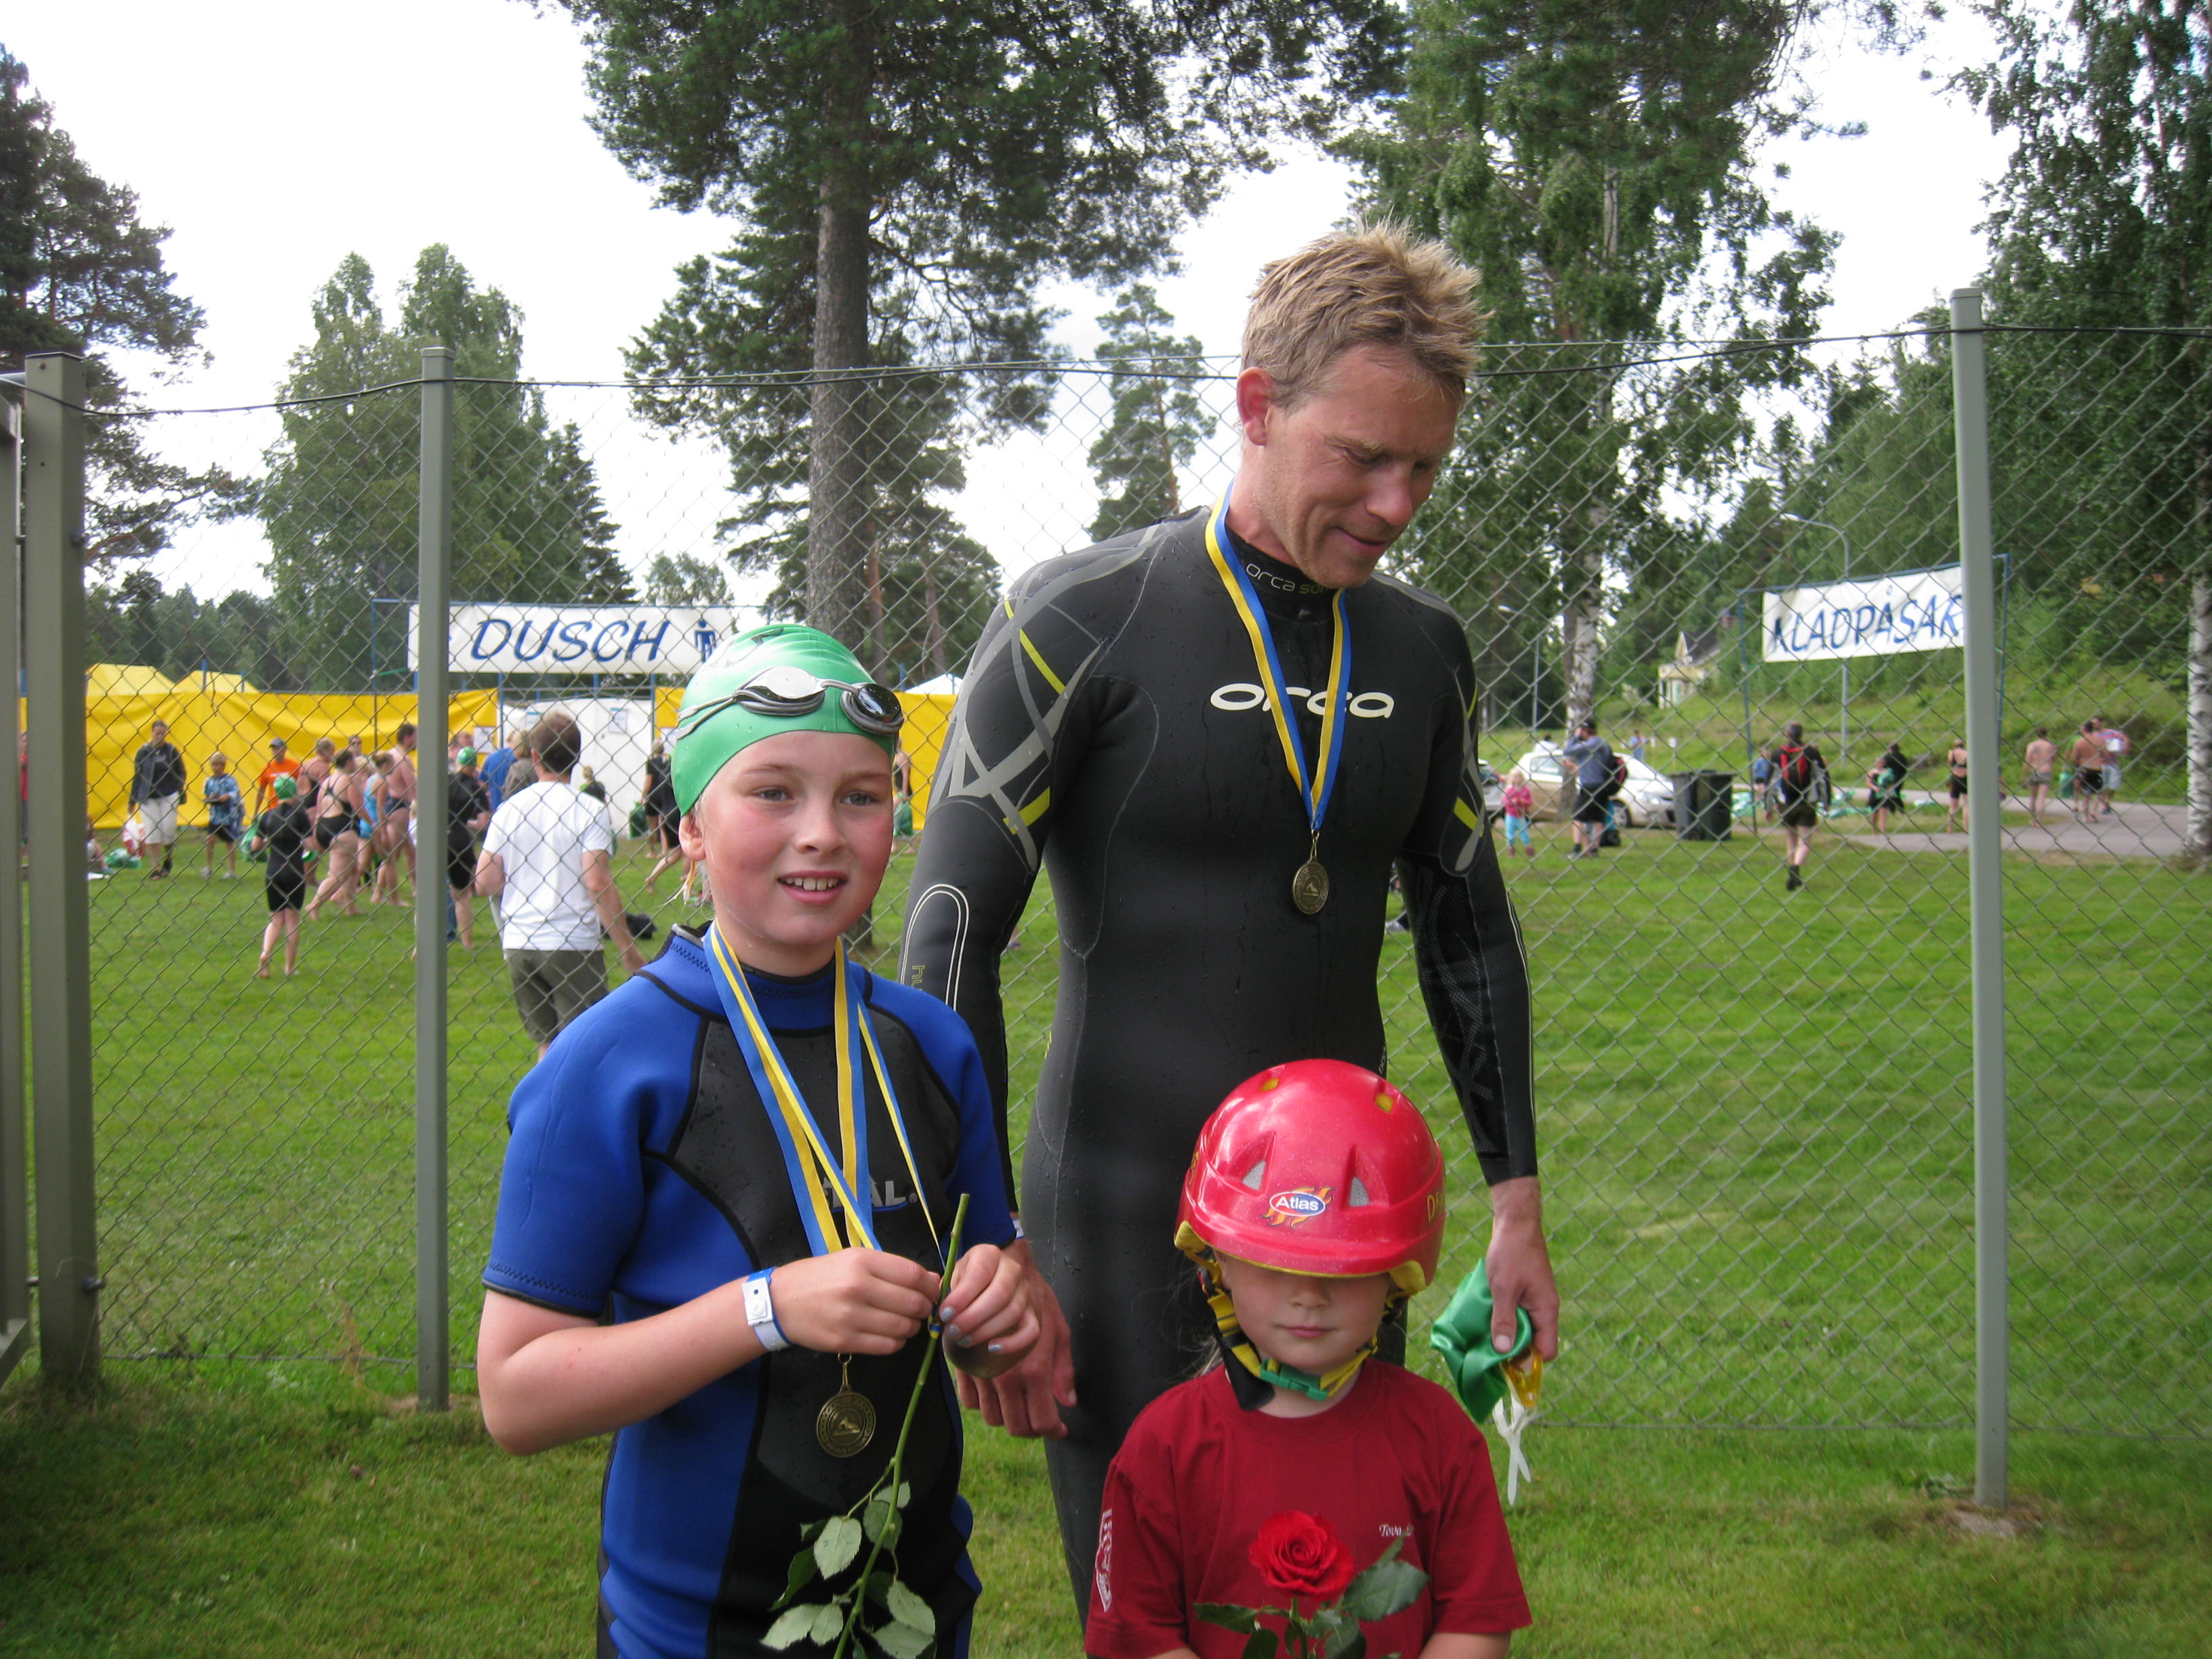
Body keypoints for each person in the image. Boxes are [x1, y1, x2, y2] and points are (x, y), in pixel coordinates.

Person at [901, 223, 1551, 1607]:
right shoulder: (1079, 620)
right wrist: (985, 1240)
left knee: (1336, 1603)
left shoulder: (1422, 647)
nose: (1394, 502)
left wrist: (1516, 1207)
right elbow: (948, 934)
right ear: (1257, 405)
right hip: (1117, 1213)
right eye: (1360, 457)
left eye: (1424, 467)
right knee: (1152, 1610)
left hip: (1341, 1232)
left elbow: (1468, 930)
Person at [476, 623, 1039, 1659]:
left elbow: (989, 1313)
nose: (822, 833)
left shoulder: (933, 1045)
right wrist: (766, 1310)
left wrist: (998, 1308)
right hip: (688, 1629)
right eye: (773, 792)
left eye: (860, 796)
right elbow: (516, 1396)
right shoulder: (605, 1066)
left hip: (914, 1610)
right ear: (690, 826)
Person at [1085, 1062, 1530, 1659]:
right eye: (1275, 1266)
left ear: (1395, 1279)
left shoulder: (1439, 1438)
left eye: (1341, 1270)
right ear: (1219, 1265)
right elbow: (1138, 1638)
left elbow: (1477, 1623)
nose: (1309, 1297)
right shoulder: (1164, 1448)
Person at [475, 710, 646, 1062]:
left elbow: (486, 881)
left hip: (521, 941)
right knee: (583, 1047)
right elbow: (596, 882)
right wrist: (628, 949)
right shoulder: (588, 809)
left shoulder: (509, 809)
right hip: (571, 941)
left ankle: (545, 1099)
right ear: (577, 756)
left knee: (547, 1046)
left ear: (534, 756)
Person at [251, 776, 312, 978]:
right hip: (294, 869)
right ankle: (289, 967)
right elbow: (311, 847)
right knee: (292, 918)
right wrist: (307, 854)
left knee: (276, 918)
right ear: (294, 792)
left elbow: (255, 846)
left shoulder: (268, 816)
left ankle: (266, 953)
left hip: (273, 870)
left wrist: (268, 841)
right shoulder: (300, 816)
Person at [304, 752, 368, 922]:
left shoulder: (327, 781)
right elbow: (358, 806)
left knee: (353, 869)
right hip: (342, 828)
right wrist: (373, 823)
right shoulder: (349, 779)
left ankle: (351, 907)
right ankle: (314, 905)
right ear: (349, 762)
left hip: (324, 826)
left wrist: (316, 833)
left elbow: (319, 810)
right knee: (337, 876)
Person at [446, 748, 493, 949]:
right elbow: (483, 823)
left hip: (437, 835)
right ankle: (467, 942)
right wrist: (466, 822)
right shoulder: (476, 788)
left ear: (458, 763)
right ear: (474, 767)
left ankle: (421, 945)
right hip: (459, 838)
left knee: (428, 894)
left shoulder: (444, 781)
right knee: (461, 895)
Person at [129, 717, 187, 880]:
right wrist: (132, 800)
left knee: (168, 830)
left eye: (163, 733)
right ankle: (155, 867)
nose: (160, 736)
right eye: (157, 733)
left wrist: (178, 788)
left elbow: (182, 771)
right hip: (148, 797)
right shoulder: (143, 752)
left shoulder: (172, 751)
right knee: (152, 832)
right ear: (152, 733)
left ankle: (168, 858)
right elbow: (138, 776)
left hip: (169, 795)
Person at [1772, 721, 1826, 892]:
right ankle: (1796, 868)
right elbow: (1822, 778)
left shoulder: (1778, 753)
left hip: (1785, 803)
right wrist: (1826, 801)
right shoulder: (1811, 752)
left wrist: (1769, 805)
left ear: (1787, 734)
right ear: (1801, 734)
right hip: (1807, 802)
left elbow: (1771, 780)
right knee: (1805, 840)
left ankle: (1792, 872)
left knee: (1791, 840)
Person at [1561, 718, 1616, 860]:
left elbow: (1567, 750)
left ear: (1584, 730)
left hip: (1590, 786)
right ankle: (1593, 850)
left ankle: (1577, 848)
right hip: (1602, 785)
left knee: (1578, 816)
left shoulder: (1590, 745)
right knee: (1597, 819)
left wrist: (1576, 737)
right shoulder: (1604, 744)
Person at [200, 750, 244, 879]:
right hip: (215, 816)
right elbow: (207, 795)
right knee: (210, 840)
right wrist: (209, 799)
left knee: (229, 843)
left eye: (219, 765)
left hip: (227, 816)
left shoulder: (230, 780)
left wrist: (227, 796)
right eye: (214, 765)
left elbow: (236, 793)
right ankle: (208, 867)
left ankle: (231, 870)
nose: (216, 768)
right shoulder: (209, 781)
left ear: (223, 766)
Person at [1866, 740, 1909, 836]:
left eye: (1882, 763)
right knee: (1875, 813)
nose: (1881, 764)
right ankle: (1874, 830)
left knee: (1883, 810)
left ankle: (1883, 830)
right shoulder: (1873, 772)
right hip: (1875, 793)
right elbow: (1868, 782)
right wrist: (1874, 787)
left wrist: (1890, 787)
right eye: (1879, 762)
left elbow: (1891, 780)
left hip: (1884, 792)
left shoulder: (1887, 772)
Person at [2069, 720, 2107, 822]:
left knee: (2086, 793)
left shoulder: (2079, 742)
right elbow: (2105, 755)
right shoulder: (2100, 741)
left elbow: (2074, 758)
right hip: (2097, 768)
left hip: (2085, 768)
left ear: (2084, 729)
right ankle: (2094, 810)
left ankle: (2085, 816)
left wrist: (2081, 762)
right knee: (2099, 791)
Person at [253, 737, 300, 818]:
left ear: (285, 750)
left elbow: (300, 787)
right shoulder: (267, 768)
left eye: (278, 748)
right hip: (273, 808)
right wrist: (256, 812)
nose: (275, 751)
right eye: (273, 749)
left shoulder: (295, 766)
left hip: (291, 807)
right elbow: (261, 791)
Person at [2020, 727, 2057, 829]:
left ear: (2036, 735)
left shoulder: (2032, 745)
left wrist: (2023, 775)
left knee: (2033, 797)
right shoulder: (2050, 745)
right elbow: (2054, 759)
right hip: (2046, 771)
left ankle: (2033, 819)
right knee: (2042, 797)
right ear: (2046, 734)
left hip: (2034, 771)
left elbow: (2028, 760)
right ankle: (2040, 820)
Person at [1498, 768, 1535, 859]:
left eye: (1520, 777)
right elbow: (1505, 802)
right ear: (1512, 779)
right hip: (1511, 816)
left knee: (1524, 833)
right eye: (1516, 777)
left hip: (1521, 816)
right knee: (1510, 833)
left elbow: (1530, 802)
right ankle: (1511, 850)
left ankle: (1529, 850)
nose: (1518, 779)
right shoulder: (1509, 790)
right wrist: (1512, 802)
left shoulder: (1526, 790)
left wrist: (1523, 801)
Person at [1944, 736, 1970, 834]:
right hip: (1965, 778)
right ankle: (1966, 828)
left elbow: (1950, 763)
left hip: (1955, 778)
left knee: (1953, 806)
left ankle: (1950, 829)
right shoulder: (1967, 753)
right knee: (1967, 805)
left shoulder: (1952, 753)